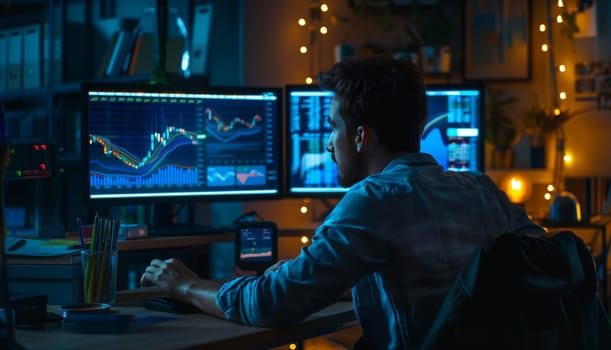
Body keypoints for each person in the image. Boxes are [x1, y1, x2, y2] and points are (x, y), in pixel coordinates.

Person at [140, 55, 546, 348]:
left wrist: (186, 285)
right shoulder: (482, 189)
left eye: (333, 127)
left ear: (360, 137)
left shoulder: (374, 199)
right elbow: (543, 260)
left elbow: (269, 304)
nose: (329, 143)